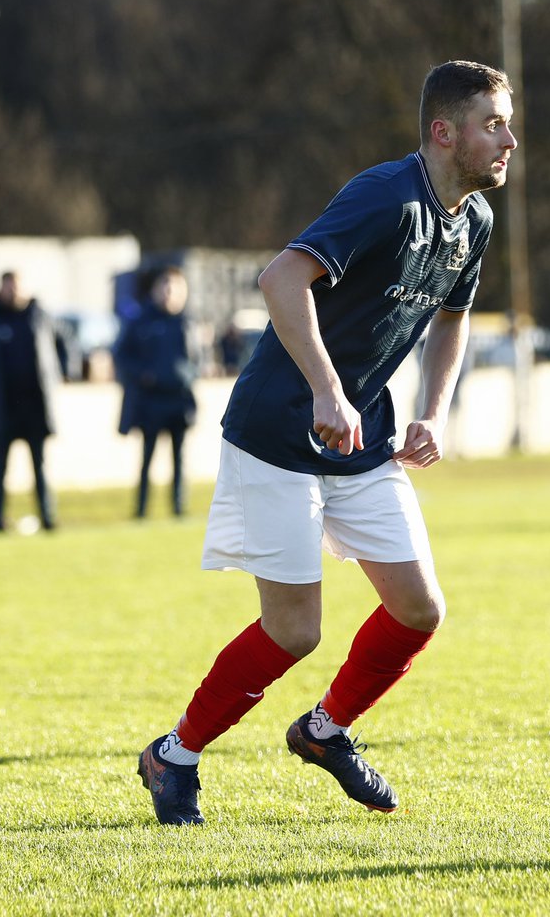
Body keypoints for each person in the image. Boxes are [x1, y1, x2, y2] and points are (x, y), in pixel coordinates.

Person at [137, 60, 517, 825]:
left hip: (361, 439)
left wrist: (433, 411)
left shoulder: (474, 221)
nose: (509, 140)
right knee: (294, 631)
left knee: (419, 609)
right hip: (279, 431)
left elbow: (452, 318)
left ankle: (324, 730)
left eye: (509, 124)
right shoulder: (387, 196)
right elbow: (280, 279)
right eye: (493, 124)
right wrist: (326, 388)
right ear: (444, 132)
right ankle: (173, 755)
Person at [0, 270, 64, 533]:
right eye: (9, 286)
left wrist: (61, 374)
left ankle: (47, 517)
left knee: (40, 465)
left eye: (17, 286)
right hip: (0, 408)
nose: (13, 291)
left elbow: (64, 342)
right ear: (1, 288)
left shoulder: (38, 315)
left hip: (34, 407)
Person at [114, 266, 199, 519]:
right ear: (155, 290)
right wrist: (144, 374)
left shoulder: (187, 323)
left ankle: (178, 509)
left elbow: (199, 360)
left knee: (179, 459)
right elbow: (121, 356)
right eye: (165, 287)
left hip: (179, 400)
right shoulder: (140, 321)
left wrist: (187, 376)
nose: (169, 294)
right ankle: (141, 510)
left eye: (175, 289)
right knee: (147, 457)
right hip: (150, 402)